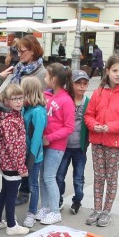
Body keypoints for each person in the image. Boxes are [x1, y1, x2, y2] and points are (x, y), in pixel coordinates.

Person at [84, 53, 119, 228]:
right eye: (114, 70)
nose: (118, 74)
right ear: (107, 71)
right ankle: (97, 209)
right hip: (98, 141)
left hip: (115, 143)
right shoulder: (98, 92)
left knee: (111, 177)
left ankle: (107, 211)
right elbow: (89, 115)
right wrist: (94, 126)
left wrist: (110, 126)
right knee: (98, 176)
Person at [0, 35, 48, 206]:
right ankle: (17, 188)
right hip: (14, 116)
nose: (19, 54)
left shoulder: (41, 72)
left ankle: (24, 191)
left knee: (26, 156)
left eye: (22, 51)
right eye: (18, 50)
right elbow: (11, 89)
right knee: (15, 154)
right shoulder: (18, 67)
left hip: (28, 119)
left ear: (33, 51)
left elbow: (37, 97)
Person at [37, 64, 75, 225]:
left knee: (49, 177)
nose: (44, 78)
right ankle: (45, 207)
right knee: (42, 177)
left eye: (46, 76)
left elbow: (69, 127)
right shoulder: (47, 95)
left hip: (55, 147)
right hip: (44, 144)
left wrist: (50, 137)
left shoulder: (66, 100)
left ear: (53, 79)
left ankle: (54, 211)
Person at [0, 84, 30, 236]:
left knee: (5, 191)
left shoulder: (13, 115)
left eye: (20, 98)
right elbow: (13, 147)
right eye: (15, 99)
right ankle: (12, 226)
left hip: (9, 163)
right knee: (11, 194)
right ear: (7, 101)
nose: (19, 102)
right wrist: (21, 167)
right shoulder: (8, 120)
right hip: (12, 164)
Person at [56, 70, 91, 215]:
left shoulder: (88, 102)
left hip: (79, 148)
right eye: (78, 83)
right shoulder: (66, 99)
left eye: (85, 84)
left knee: (78, 176)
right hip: (64, 146)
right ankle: (58, 199)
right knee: (59, 175)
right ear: (71, 83)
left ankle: (77, 201)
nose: (82, 87)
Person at [20, 76, 47, 228]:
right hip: (23, 154)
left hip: (33, 157)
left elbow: (37, 137)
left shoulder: (37, 112)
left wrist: (30, 158)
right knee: (25, 183)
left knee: (33, 185)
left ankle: (32, 212)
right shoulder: (26, 108)